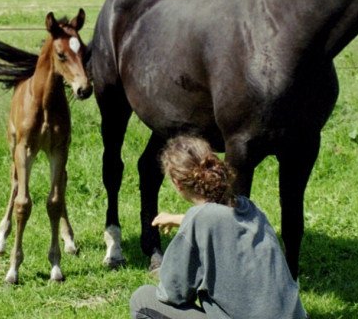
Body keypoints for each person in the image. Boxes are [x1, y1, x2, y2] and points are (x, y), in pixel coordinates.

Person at [130, 135, 308, 319]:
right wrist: (180, 220)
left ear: (178, 184)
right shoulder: (250, 209)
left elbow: (173, 294)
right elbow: (222, 223)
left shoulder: (198, 220)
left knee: (142, 299)